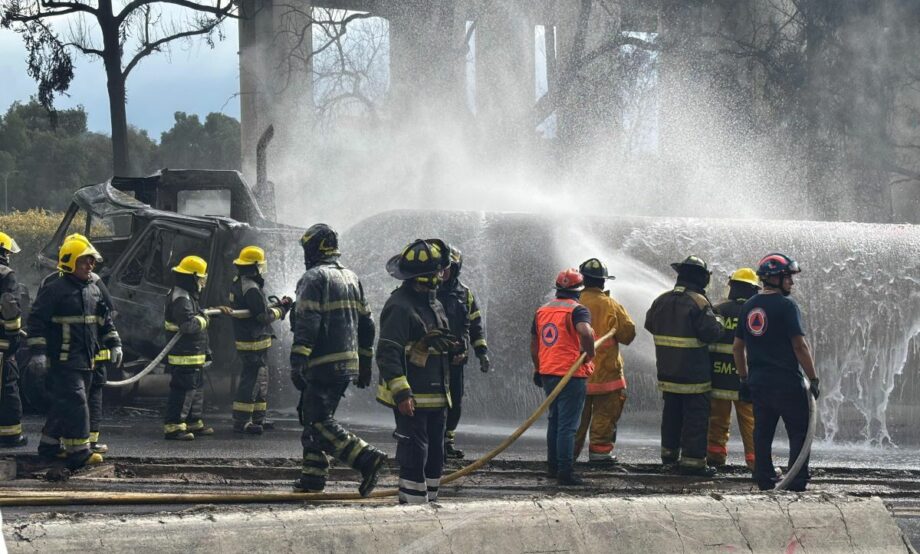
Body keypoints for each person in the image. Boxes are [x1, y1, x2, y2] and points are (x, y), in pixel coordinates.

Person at [290, 224, 385, 496]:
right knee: (311, 416)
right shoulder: (352, 277)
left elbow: (308, 322)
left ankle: (367, 458)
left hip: (322, 363)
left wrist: (298, 359)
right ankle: (312, 477)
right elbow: (367, 324)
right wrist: (364, 362)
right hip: (347, 362)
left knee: (319, 423)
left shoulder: (313, 278)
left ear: (314, 249)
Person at [27, 238, 121, 468]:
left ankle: (48, 446)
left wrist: (115, 343)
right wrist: (38, 353)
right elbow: (36, 321)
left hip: (86, 360)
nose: (90, 266)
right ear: (70, 263)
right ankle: (80, 453)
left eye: (92, 261)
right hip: (63, 360)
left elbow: (105, 321)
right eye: (84, 262)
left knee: (64, 403)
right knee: (77, 401)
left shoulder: (93, 290)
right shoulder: (54, 289)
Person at [376, 238, 456, 504]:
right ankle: (412, 505)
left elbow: (432, 344)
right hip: (413, 396)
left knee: (435, 453)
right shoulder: (399, 306)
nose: (442, 275)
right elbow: (387, 352)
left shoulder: (434, 303)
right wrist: (402, 394)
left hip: (437, 395)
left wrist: (453, 349)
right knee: (414, 451)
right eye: (438, 272)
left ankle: (429, 502)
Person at [734, 253, 819, 492]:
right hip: (787, 382)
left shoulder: (748, 306)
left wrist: (744, 379)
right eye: (787, 277)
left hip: (759, 382)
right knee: (799, 432)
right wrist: (813, 378)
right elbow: (799, 346)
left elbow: (737, 347)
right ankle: (796, 480)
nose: (791, 282)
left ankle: (764, 477)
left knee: (762, 432)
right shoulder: (787, 306)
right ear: (774, 278)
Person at [645, 255, 722, 476]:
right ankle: (693, 463)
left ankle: (668, 457)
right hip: (694, 376)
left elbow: (650, 324)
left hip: (668, 373)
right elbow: (711, 333)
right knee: (695, 418)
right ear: (701, 277)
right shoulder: (699, 302)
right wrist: (718, 320)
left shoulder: (661, 300)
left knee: (671, 416)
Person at [531, 268, 595, 486]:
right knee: (568, 425)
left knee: (555, 421)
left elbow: (534, 343)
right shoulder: (578, 310)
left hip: (548, 372)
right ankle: (565, 472)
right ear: (579, 290)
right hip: (571, 375)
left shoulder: (542, 311)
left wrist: (538, 368)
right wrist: (589, 355)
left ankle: (553, 467)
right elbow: (585, 332)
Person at [573, 258, 636, 464]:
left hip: (577, 373)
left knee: (574, 418)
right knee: (605, 415)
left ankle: (567, 456)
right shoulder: (612, 305)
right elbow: (628, 335)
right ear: (603, 281)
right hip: (607, 376)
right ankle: (600, 454)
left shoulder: (573, 304)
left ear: (582, 280)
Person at [229, 246, 292, 434]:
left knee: (261, 379)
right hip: (252, 342)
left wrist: (276, 304)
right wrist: (282, 310)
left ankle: (258, 418)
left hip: (254, 341)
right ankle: (242, 421)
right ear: (254, 266)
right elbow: (263, 317)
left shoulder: (243, 283)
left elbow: (257, 308)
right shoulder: (251, 288)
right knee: (252, 380)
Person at [437, 245, 491, 459]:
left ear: (456, 268)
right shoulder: (428, 290)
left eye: (448, 267)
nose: (443, 271)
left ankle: (447, 441)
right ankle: (433, 441)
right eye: (441, 267)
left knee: (455, 402)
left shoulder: (464, 293)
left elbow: (475, 325)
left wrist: (481, 352)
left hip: (457, 359)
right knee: (434, 402)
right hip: (433, 359)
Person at [707, 268, 760, 470]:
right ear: (753, 289)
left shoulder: (717, 309)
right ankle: (756, 462)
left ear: (732, 286)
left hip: (718, 377)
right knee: (751, 422)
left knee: (717, 420)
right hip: (745, 378)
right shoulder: (755, 313)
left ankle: (715, 457)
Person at [163, 255, 219, 441]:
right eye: (200, 278)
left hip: (192, 354)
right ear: (192, 278)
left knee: (195, 389)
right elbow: (187, 325)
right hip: (183, 354)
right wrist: (204, 320)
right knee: (183, 391)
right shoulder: (181, 298)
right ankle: (174, 427)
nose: (202, 282)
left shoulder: (187, 295)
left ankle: (193, 422)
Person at [0, 232, 26, 447]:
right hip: (2, 347)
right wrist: (14, 335)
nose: (8, 256)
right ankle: (10, 436)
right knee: (8, 388)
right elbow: (9, 305)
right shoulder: (6, 275)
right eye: (7, 252)